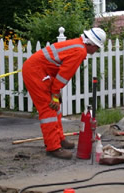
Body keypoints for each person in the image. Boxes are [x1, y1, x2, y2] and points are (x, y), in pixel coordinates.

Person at [22, 28, 106, 160]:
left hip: (41, 72)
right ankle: (53, 147)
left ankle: (59, 139)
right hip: (36, 72)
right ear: (92, 44)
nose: (96, 51)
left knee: (55, 108)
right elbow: (63, 75)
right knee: (48, 109)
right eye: (97, 48)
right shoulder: (79, 51)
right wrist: (55, 93)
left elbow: (59, 70)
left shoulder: (78, 45)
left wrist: (56, 93)